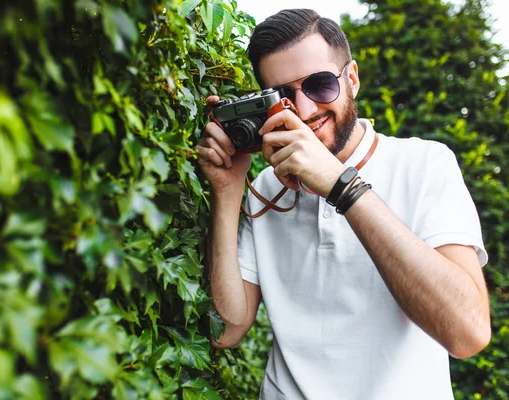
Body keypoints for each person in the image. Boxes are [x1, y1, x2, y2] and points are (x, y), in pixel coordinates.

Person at [196, 9, 490, 400]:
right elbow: (225, 330)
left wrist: (340, 186)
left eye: (319, 85)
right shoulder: (265, 185)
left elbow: (467, 333)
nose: (304, 110)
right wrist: (229, 190)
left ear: (351, 78)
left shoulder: (424, 164)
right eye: (284, 95)